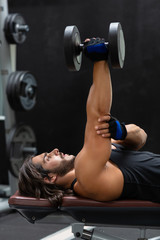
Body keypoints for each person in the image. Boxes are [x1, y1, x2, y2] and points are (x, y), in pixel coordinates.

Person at [18, 38, 160, 207]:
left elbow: (141, 136)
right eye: (48, 157)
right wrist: (99, 60)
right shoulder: (88, 177)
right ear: (50, 178)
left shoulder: (94, 159)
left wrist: (122, 132)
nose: (55, 150)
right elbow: (98, 115)